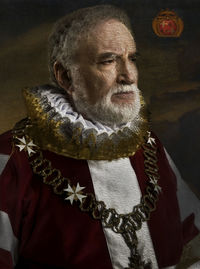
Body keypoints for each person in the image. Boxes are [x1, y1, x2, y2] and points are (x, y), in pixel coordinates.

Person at [0, 5, 199, 269]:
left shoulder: (149, 145)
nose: (128, 75)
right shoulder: (13, 156)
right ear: (66, 76)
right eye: (108, 60)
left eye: (132, 59)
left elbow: (193, 239)